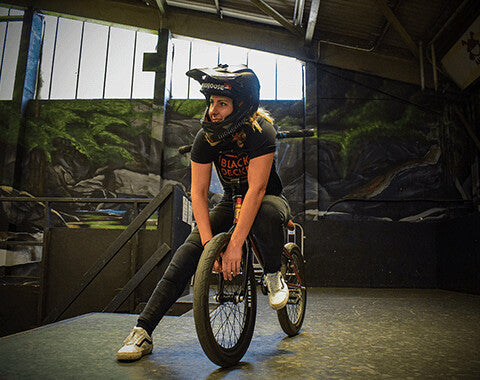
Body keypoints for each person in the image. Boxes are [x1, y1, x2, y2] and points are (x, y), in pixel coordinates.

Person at [116, 64, 291, 361]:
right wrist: (211, 245)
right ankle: (142, 331)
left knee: (265, 213)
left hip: (267, 200)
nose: (213, 110)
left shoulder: (262, 133)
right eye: (211, 102)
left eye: (221, 103)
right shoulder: (205, 138)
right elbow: (197, 193)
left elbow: (257, 190)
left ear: (242, 105)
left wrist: (235, 244)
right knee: (188, 250)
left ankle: (274, 274)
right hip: (228, 201)